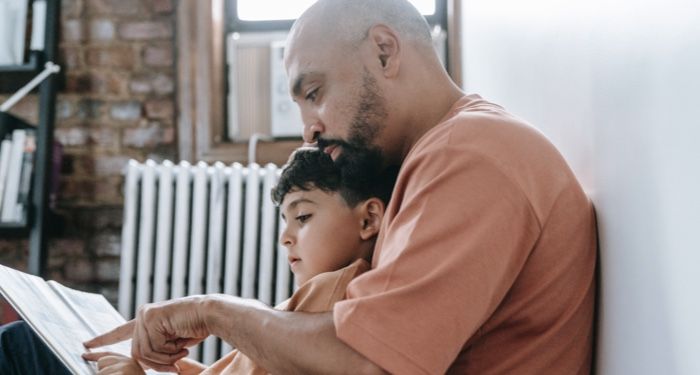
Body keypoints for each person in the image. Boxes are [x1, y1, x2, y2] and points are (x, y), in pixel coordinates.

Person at [83, 0, 597, 373]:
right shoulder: (437, 159)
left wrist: (211, 311)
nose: (308, 128)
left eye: (314, 92)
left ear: (383, 51)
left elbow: (368, 361)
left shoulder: (473, 154)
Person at [80, 147, 398, 374]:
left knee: (32, 344)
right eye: (284, 221)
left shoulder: (336, 292)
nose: (284, 237)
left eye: (303, 216)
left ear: (369, 220)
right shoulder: (317, 300)